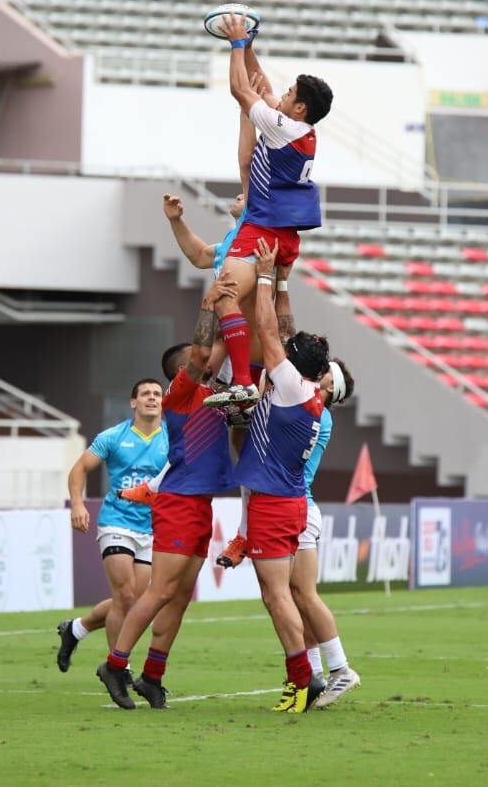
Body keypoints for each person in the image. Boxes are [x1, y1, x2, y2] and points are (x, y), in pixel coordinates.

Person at [97, 277, 239, 710]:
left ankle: (152, 676)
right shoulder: (181, 394)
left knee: (179, 597)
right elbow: (201, 350)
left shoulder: (215, 393)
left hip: (201, 504)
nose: (213, 355)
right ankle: (114, 665)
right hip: (178, 502)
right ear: (184, 368)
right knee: (158, 592)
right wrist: (209, 306)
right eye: (204, 356)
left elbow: (222, 348)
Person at [203, 12, 333, 411]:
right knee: (223, 299)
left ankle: (242, 383)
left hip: (264, 229)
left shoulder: (284, 129)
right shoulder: (297, 126)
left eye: (290, 93)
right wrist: (252, 45)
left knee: (222, 295)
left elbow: (241, 90)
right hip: (275, 229)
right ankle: (243, 385)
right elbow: (265, 87)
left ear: (300, 108)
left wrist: (237, 44)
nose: (281, 94)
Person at [230, 236, 332, 713]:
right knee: (282, 594)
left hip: (274, 502)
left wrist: (267, 276)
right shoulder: (305, 388)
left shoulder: (290, 384)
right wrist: (282, 284)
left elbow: (270, 333)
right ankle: (301, 677)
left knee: (276, 596)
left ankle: (302, 678)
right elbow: (281, 336)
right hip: (285, 500)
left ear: (296, 364)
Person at [56, 378, 169, 671]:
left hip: (151, 527)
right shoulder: (114, 436)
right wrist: (78, 504)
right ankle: (120, 669)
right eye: (145, 393)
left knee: (134, 600)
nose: (152, 398)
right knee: (125, 594)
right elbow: (79, 469)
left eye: (157, 394)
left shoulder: (172, 437)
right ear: (134, 402)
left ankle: (76, 629)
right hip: (116, 521)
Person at [291, 360, 361, 708]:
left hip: (299, 508)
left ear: (331, 389)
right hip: (292, 506)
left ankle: (341, 668)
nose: (318, 375)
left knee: (305, 594)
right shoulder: (311, 406)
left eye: (326, 376)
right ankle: (316, 674)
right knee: (295, 596)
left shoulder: (321, 416)